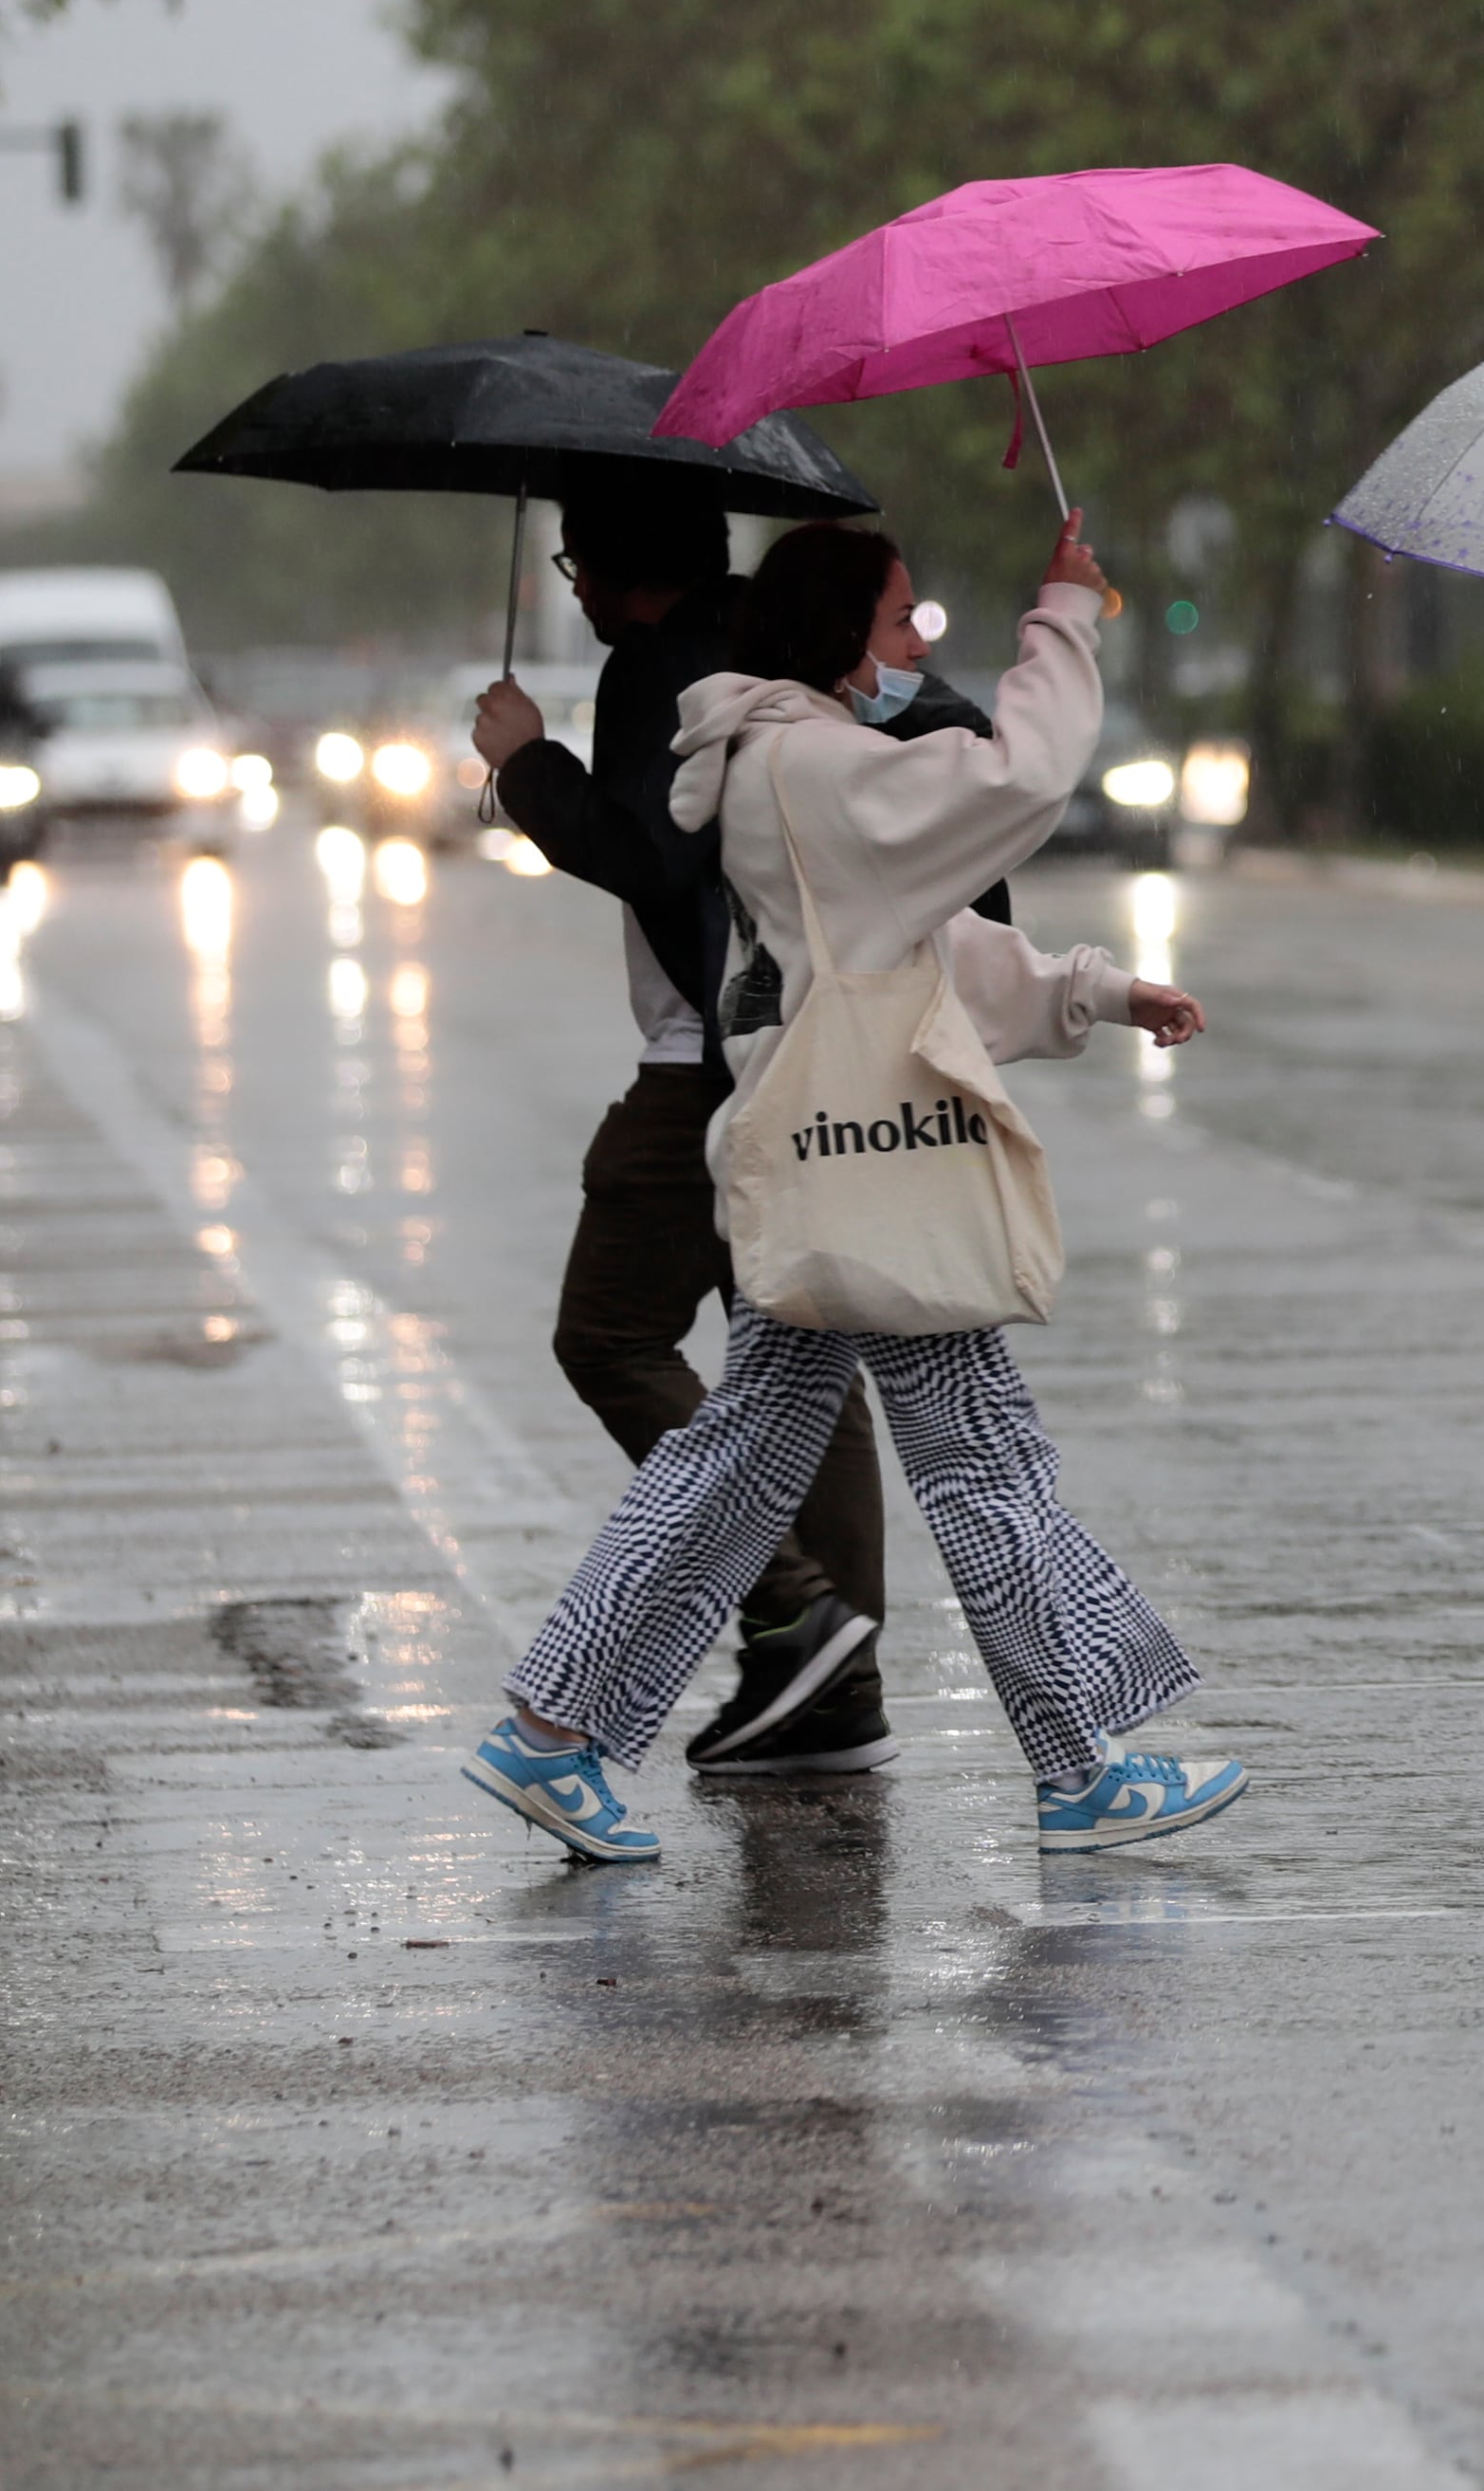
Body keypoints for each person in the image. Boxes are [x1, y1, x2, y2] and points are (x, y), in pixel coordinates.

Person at [462, 516, 1232, 1864]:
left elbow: (919, 951)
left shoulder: (792, 763)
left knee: (745, 1465)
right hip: (873, 1162)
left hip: (838, 1161)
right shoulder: (811, 765)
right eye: (894, 623)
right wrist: (1064, 606)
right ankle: (1075, 1768)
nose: (910, 649)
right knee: (980, 1460)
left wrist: (1097, 991)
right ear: (832, 636)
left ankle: (552, 1729)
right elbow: (1022, 775)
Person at [471, 490, 899, 1779]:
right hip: (799, 1044)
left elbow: (657, 853)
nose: (576, 584)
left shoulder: (659, 667)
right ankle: (833, 1686)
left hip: (702, 1064)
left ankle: (787, 1601)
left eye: (577, 559)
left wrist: (526, 761)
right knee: (805, 1365)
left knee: (606, 1329)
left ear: (613, 565)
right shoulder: (765, 645)